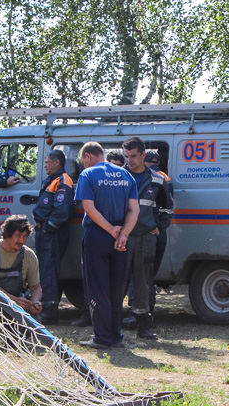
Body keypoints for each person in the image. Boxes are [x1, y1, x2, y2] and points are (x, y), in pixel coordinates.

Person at [74, 141, 139, 349]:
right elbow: (134, 210)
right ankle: (116, 336)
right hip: (121, 238)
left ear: (87, 157)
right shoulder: (126, 174)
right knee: (116, 288)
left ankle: (101, 337)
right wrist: (123, 235)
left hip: (98, 235)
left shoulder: (88, 175)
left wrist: (109, 229)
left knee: (97, 287)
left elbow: (89, 208)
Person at [122, 137, 173, 340]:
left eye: (133, 156)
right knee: (119, 281)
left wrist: (160, 227)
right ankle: (113, 325)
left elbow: (167, 207)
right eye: (126, 156)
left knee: (143, 282)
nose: (130, 160)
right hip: (123, 238)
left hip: (145, 238)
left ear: (143, 155)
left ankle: (143, 325)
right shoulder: (119, 177)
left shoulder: (158, 179)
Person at [32, 149, 74, 325]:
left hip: (53, 232)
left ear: (57, 162)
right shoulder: (51, 180)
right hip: (45, 231)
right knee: (45, 271)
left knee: (49, 272)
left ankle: (49, 314)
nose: (45, 165)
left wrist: (48, 228)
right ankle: (47, 309)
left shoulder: (64, 181)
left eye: (47, 162)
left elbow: (61, 210)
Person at [0, 215, 42, 315]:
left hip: (18, 306)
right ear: (7, 234)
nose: (22, 241)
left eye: (24, 236)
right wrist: (14, 301)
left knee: (34, 325)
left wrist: (35, 303)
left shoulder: (29, 255)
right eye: (18, 236)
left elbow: (35, 287)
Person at [143, 150, 174, 310]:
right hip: (158, 229)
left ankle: (145, 311)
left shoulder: (151, 177)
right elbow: (168, 206)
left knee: (143, 274)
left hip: (149, 230)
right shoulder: (165, 177)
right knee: (148, 274)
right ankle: (148, 311)